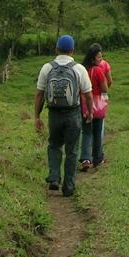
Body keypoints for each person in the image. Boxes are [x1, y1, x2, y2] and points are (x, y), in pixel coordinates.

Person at [34, 35, 92, 197]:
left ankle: (53, 177)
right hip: (73, 113)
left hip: (54, 114)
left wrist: (36, 116)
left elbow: (39, 94)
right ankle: (68, 187)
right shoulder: (79, 69)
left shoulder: (47, 68)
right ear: (72, 51)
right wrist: (90, 112)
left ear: (56, 49)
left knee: (54, 145)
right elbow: (88, 94)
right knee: (72, 150)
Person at [79, 43, 109, 170]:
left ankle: (86, 158)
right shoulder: (98, 71)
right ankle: (97, 158)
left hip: (84, 104)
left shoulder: (82, 70)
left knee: (86, 132)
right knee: (97, 132)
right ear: (93, 58)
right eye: (99, 58)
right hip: (97, 106)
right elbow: (105, 88)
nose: (101, 60)